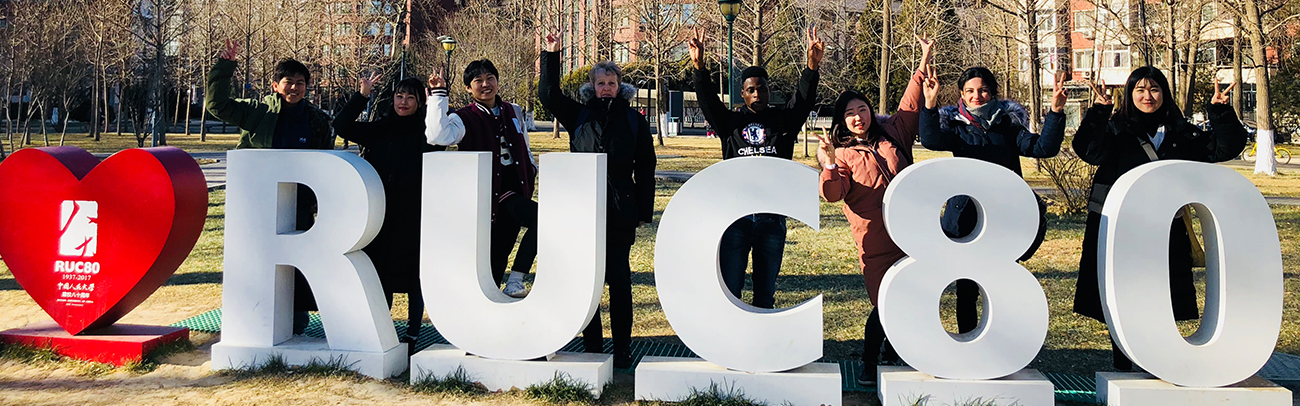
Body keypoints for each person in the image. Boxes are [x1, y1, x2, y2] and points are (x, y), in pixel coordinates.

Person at [1071, 66, 1244, 371]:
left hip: (1166, 230)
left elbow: (1223, 149)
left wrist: (1220, 112)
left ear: (1164, 93)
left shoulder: (1181, 132)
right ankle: (1123, 367)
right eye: (1139, 90)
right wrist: (1099, 111)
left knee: (1162, 297)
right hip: (1120, 228)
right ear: (1129, 94)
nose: (1147, 96)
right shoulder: (1115, 130)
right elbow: (1088, 151)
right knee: (1121, 295)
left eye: (1154, 89)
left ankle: (1159, 365)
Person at [817, 36, 933, 386]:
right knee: (885, 303)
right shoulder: (843, 155)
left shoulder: (893, 133)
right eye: (850, 113)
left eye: (862, 109)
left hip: (911, 235)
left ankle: (896, 355)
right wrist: (829, 163)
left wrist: (923, 60)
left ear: (870, 111)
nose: (858, 117)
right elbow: (833, 194)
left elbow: (911, 103)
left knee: (911, 297)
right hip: (876, 242)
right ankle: (870, 363)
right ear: (842, 120)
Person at [918, 67, 1067, 334]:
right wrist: (930, 104)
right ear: (961, 94)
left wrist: (1055, 112)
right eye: (970, 91)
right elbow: (930, 140)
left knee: (1001, 284)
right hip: (965, 219)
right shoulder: (955, 126)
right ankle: (968, 339)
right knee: (967, 288)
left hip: (1003, 219)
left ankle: (1002, 339)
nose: (977, 96)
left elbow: (1044, 148)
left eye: (983, 90)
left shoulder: (1008, 126)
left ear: (993, 92)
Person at [538, 33, 656, 369]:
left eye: (611, 83)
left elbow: (646, 167)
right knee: (586, 281)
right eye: (600, 83)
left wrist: (643, 210)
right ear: (592, 86)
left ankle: (622, 349)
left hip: (620, 210)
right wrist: (552, 54)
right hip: (583, 211)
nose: (606, 88)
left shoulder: (634, 120)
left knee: (619, 282)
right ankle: (592, 344)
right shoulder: (578, 114)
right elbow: (548, 94)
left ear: (620, 87)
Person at [687, 27, 823, 309]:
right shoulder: (730, 124)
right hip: (736, 217)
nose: (757, 93)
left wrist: (811, 67)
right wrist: (699, 68)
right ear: (743, 94)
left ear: (769, 91)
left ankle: (763, 335)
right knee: (730, 290)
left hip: (771, 218)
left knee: (765, 294)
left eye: (762, 88)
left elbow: (803, 100)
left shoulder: (783, 122)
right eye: (751, 90)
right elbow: (708, 101)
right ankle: (730, 335)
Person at [205, 39, 334, 335]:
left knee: (297, 263)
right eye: (288, 82)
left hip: (299, 205)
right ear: (276, 85)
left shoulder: (317, 120)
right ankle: (255, 318)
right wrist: (225, 67)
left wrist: (320, 199)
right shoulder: (259, 112)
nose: (294, 88)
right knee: (258, 260)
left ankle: (297, 321)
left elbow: (326, 161)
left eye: (300, 83)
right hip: (261, 203)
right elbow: (217, 105)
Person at [332, 74, 442, 350]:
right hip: (381, 213)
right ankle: (384, 329)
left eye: (411, 98)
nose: (403, 102)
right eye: (399, 96)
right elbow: (341, 125)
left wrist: (438, 97)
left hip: (414, 214)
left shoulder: (428, 134)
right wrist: (362, 95)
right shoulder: (380, 128)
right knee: (382, 273)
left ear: (420, 103)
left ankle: (413, 332)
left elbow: (442, 138)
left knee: (416, 275)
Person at [425, 59, 538, 299]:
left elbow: (524, 144)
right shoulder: (464, 117)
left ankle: (507, 287)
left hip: (517, 191)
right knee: (539, 220)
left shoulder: (513, 110)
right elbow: (437, 136)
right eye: (478, 81)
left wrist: (531, 168)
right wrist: (438, 95)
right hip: (490, 196)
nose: (486, 84)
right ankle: (512, 281)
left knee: (499, 257)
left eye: (490, 78)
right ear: (469, 88)